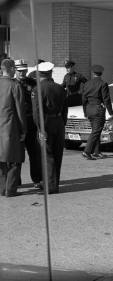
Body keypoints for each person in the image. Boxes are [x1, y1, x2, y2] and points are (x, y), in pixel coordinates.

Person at [31, 61, 67, 194]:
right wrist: (63, 122)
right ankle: (54, 184)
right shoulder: (60, 88)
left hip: (46, 123)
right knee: (58, 154)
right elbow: (65, 109)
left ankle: (51, 187)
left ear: (39, 74)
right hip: (59, 122)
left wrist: (40, 129)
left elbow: (37, 111)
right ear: (51, 73)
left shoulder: (38, 89)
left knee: (47, 155)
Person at [0, 59, 27, 197]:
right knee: (15, 160)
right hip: (11, 128)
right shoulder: (15, 86)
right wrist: (23, 130)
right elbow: (20, 110)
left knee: (1, 161)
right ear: (10, 69)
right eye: (14, 68)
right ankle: (10, 190)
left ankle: (1, 188)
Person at [14, 59, 42, 189]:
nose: (22, 73)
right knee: (17, 155)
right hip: (17, 125)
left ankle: (37, 179)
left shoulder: (33, 83)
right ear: (15, 70)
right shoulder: (12, 84)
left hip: (31, 124)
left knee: (35, 154)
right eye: (20, 71)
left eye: (24, 71)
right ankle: (16, 181)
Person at [81, 65, 113, 160]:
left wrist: (85, 111)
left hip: (89, 108)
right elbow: (106, 99)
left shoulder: (87, 84)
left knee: (96, 131)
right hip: (98, 109)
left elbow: (83, 99)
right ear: (101, 73)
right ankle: (87, 151)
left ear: (93, 73)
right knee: (96, 131)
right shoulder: (103, 83)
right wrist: (111, 113)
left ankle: (96, 152)